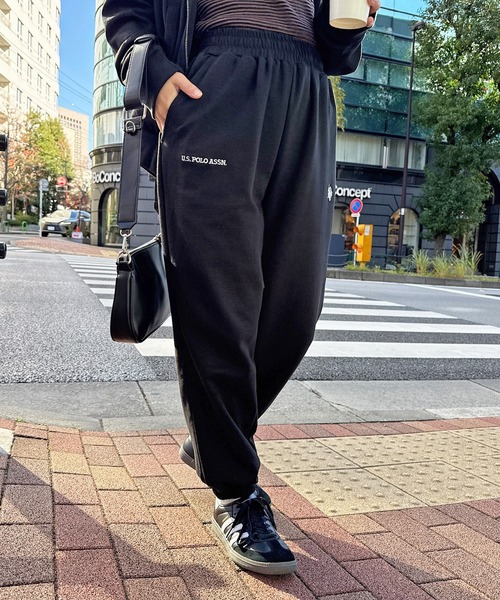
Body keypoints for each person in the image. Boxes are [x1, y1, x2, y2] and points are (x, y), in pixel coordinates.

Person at [103, 0, 380, 575]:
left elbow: (338, 52)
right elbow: (125, 8)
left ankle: (213, 436)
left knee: (295, 310)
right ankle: (236, 491)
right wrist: (152, 72)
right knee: (218, 302)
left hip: (307, 89)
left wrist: (351, 22)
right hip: (216, 78)